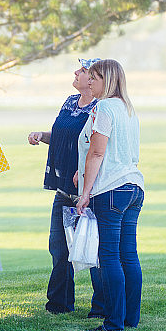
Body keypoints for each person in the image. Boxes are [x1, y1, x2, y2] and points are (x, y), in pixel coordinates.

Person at [28, 58, 105, 317]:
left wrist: (83, 172)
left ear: (94, 78)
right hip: (63, 189)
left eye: (83, 71)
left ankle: (102, 307)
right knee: (59, 249)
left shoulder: (100, 108)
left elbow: (96, 147)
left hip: (88, 191)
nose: (76, 73)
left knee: (93, 250)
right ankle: (59, 305)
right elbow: (64, 138)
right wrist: (42, 136)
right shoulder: (70, 102)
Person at [75, 59, 144, 331]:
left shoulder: (104, 107)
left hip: (111, 190)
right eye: (89, 77)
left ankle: (114, 322)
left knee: (109, 256)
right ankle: (131, 319)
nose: (89, 81)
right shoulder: (129, 109)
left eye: (94, 77)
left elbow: (97, 152)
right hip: (134, 187)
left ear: (108, 80)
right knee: (129, 254)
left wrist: (85, 192)